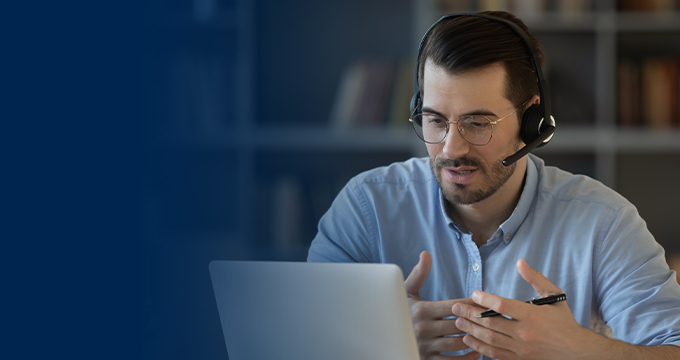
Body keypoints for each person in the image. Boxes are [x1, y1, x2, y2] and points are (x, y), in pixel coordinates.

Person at [307, 10, 680, 360]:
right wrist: (382, 342)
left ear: (532, 120)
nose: (451, 148)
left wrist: (579, 350)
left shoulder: (604, 223)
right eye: (435, 121)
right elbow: (297, 340)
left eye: (477, 123)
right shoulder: (365, 207)